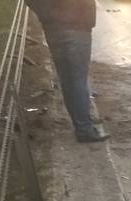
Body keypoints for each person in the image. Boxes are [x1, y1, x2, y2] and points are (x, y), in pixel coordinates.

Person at [26, 0, 108, 143]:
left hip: (54, 28)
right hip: (76, 26)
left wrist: (49, 15)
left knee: (68, 79)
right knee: (77, 80)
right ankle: (84, 129)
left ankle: (81, 124)